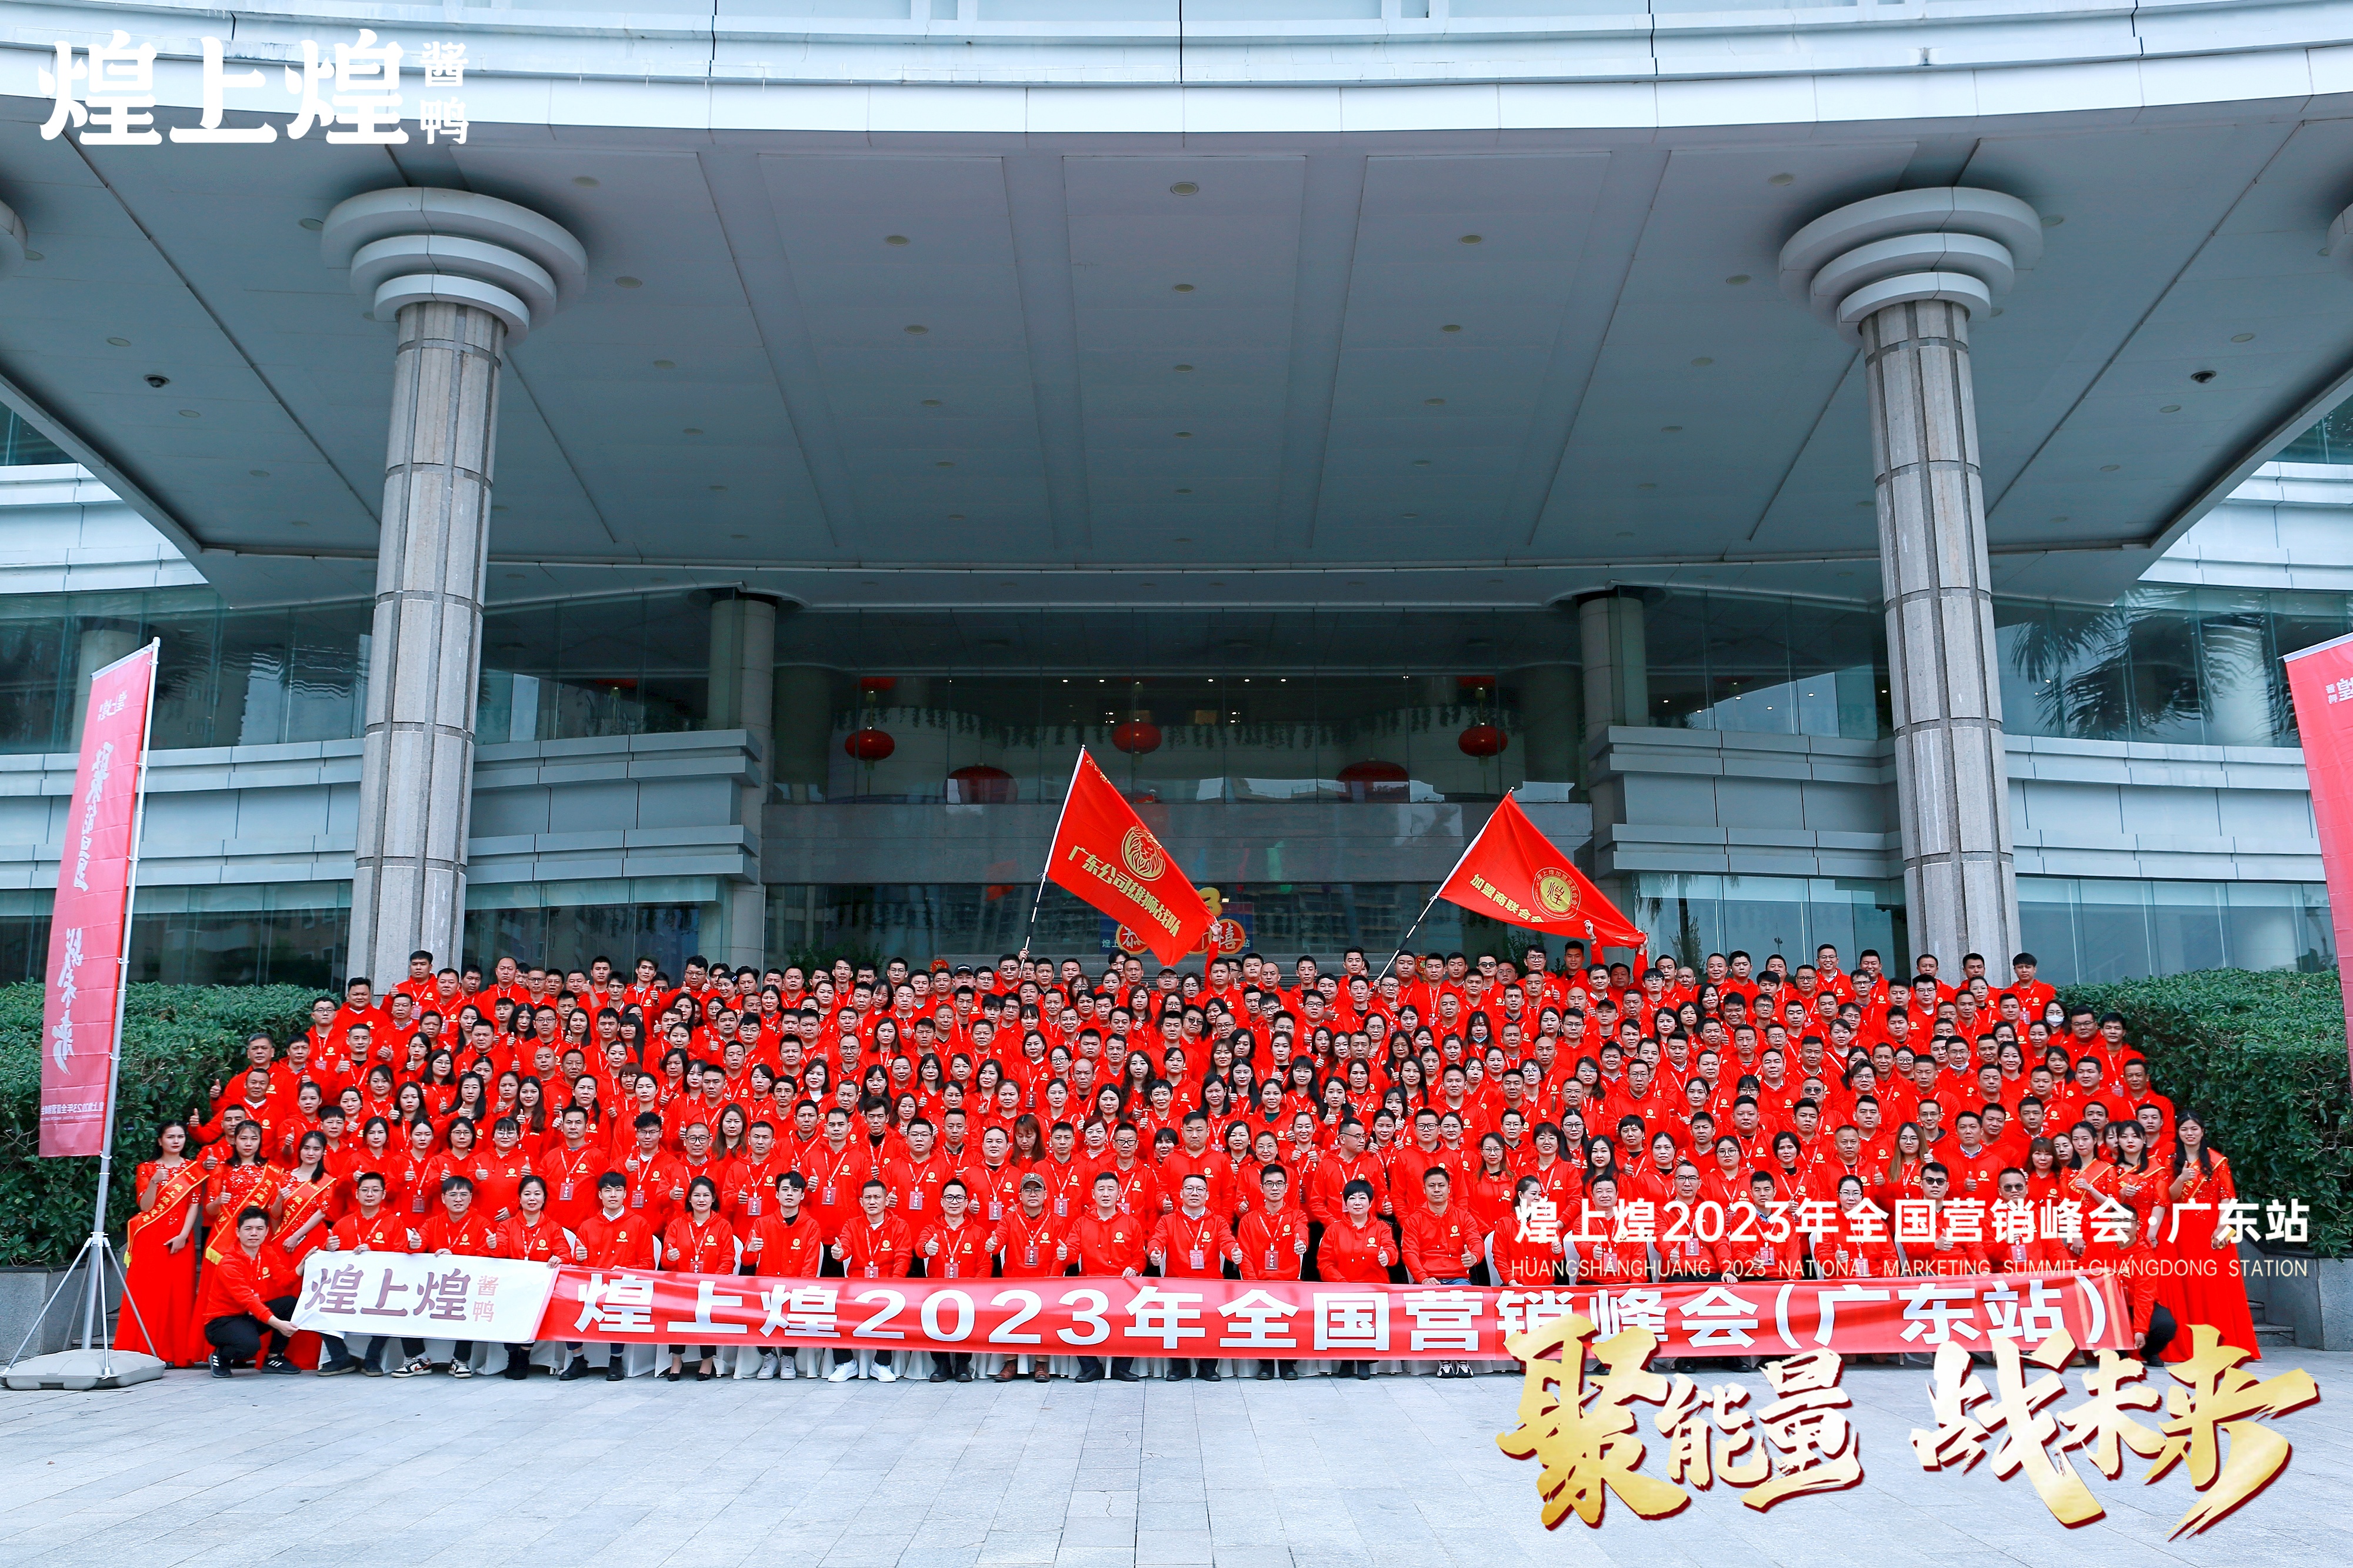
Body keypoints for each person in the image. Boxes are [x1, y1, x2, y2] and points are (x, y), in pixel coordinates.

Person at [122, 1121, 204, 1366]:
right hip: (151, 1236)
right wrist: (155, 1182)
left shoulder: (193, 1169)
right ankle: (144, 1349)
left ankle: (175, 1353)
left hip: (181, 1238)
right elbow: (145, 1206)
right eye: (170, 1137)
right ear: (160, 1141)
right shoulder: (147, 1169)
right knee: (149, 1292)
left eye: (180, 1136)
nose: (176, 1141)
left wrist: (184, 1235)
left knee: (179, 1294)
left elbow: (194, 1206)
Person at [1148, 1172, 1242, 1381]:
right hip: (1177, 1285)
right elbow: (1157, 1240)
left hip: (1210, 1285)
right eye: (1189, 1189)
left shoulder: (1218, 1221)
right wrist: (1155, 1251)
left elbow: (1227, 1242)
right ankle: (1178, 1367)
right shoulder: (1168, 1221)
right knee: (1173, 1318)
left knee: (1215, 1318)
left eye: (1200, 1189)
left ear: (1207, 1195)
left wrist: (1233, 1252)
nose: (1194, 1193)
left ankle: (1208, 1367)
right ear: (1181, 1194)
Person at [196, 1207, 301, 1377]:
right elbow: (248, 1300)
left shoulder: (267, 1252)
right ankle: (221, 1357)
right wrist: (279, 1324)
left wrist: (303, 1265)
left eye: (259, 1229)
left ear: (266, 1232)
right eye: (248, 1229)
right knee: (250, 1346)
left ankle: (274, 1358)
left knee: (290, 1304)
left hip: (249, 1316)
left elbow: (284, 1281)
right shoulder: (229, 1263)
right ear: (238, 1232)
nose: (254, 1233)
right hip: (222, 1321)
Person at [1062, 1170, 1145, 1383]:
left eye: (1111, 1189)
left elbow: (1140, 1259)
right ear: (1093, 1194)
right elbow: (1072, 1253)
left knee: (1135, 1317)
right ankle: (1091, 1368)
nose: (1106, 1194)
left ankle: (1121, 1368)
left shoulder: (1131, 1223)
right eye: (1101, 1189)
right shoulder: (1082, 1223)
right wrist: (1065, 1254)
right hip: (1091, 1287)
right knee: (1074, 1317)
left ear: (1119, 1193)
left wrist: (1134, 1268)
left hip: (1123, 1287)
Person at [1314, 1179, 1394, 1380]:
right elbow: (1324, 1263)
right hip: (1343, 1287)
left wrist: (1387, 1257)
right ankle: (1347, 1359)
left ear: (1371, 1202)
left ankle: (1364, 1359)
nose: (1357, 1203)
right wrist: (1342, 1283)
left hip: (1373, 1289)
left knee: (1367, 1312)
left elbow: (1391, 1250)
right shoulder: (1334, 1229)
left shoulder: (1382, 1228)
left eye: (1362, 1198)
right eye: (1352, 1198)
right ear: (1345, 1203)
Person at [662, 1175, 740, 1381]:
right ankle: (676, 1360)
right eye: (696, 1195)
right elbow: (665, 1262)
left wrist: (713, 1283)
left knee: (706, 1310)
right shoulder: (677, 1225)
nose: (701, 1200)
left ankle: (707, 1361)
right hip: (682, 1287)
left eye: (706, 1195)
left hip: (711, 1286)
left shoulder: (723, 1226)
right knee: (677, 1309)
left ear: (714, 1198)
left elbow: (728, 1260)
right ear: (689, 1199)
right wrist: (670, 1258)